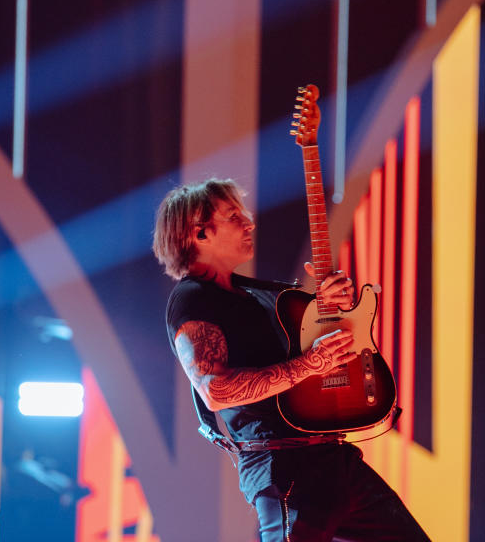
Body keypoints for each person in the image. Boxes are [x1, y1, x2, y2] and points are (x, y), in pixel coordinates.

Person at [152, 178, 430, 542]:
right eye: (233, 215)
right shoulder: (192, 299)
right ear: (199, 233)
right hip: (283, 467)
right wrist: (310, 364)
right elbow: (216, 391)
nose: (249, 222)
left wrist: (333, 305)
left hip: (334, 460)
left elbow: (321, 351)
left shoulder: (264, 293)